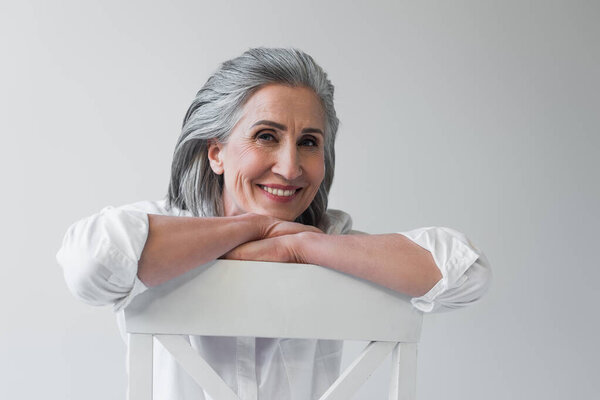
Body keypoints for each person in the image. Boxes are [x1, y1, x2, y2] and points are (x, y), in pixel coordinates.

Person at [56, 47, 492, 400]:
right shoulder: (164, 229)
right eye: (266, 136)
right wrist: (255, 229)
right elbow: (90, 264)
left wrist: (297, 248)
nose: (289, 167)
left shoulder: (327, 242)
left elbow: (466, 275)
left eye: (308, 143)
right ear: (216, 153)